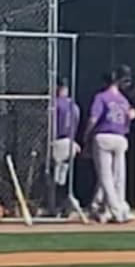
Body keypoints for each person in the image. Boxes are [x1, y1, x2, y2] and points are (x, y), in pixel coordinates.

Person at [83, 70, 135, 224]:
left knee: (105, 177)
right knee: (118, 176)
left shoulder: (101, 97)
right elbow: (129, 119)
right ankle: (108, 208)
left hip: (103, 136)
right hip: (120, 138)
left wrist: (86, 136)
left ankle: (117, 210)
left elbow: (94, 119)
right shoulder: (124, 100)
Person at [50, 80, 81, 213]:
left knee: (54, 178)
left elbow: (51, 124)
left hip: (58, 141)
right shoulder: (74, 105)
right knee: (64, 176)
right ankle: (65, 205)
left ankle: (56, 207)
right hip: (71, 142)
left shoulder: (55, 103)